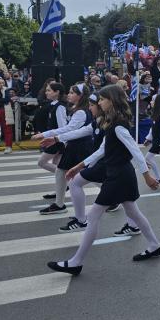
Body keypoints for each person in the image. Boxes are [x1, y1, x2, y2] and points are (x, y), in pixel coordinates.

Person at [47, 85, 160, 276]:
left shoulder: (118, 125)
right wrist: (80, 166)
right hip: (119, 173)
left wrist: (146, 175)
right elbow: (102, 150)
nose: (99, 103)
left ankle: (76, 262)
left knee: (93, 217)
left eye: (102, 99)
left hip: (118, 176)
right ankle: (154, 245)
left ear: (112, 101)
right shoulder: (111, 122)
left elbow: (135, 150)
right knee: (133, 211)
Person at [40, 93, 140, 233]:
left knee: (77, 183)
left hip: (109, 163)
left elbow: (108, 149)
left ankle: (82, 220)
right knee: (125, 198)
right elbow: (81, 131)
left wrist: (145, 171)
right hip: (105, 163)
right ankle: (133, 226)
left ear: (101, 106)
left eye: (93, 105)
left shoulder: (112, 123)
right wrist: (56, 138)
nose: (90, 108)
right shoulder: (99, 121)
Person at [33, 83, 93, 215]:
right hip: (74, 145)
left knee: (90, 174)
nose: (69, 95)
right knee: (61, 172)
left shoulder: (81, 111)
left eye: (72, 93)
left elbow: (68, 128)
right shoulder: (77, 109)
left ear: (80, 96)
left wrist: (46, 135)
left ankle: (61, 205)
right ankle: (59, 204)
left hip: (80, 146)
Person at [35, 82, 67, 199]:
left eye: (49, 90)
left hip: (56, 140)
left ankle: (68, 180)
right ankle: (60, 189)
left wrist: (57, 139)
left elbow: (63, 127)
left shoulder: (60, 107)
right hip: (54, 139)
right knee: (57, 165)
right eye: (46, 90)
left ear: (57, 92)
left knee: (42, 162)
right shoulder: (53, 105)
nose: (46, 92)